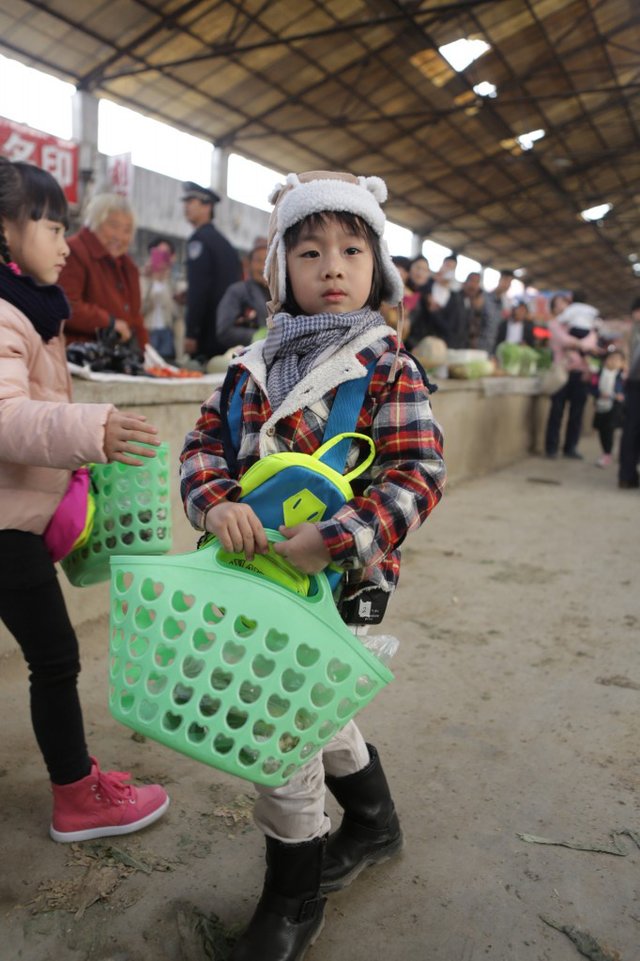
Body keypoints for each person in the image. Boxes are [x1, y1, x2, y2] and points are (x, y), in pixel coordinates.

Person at [180, 170, 446, 961]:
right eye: (310, 251)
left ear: (377, 267)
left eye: (351, 250)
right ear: (281, 271)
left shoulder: (388, 365)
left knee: (277, 720)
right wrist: (214, 503)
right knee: (314, 703)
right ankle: (372, 821)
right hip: (253, 578)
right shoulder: (250, 364)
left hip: (342, 581)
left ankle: (292, 897)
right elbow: (202, 447)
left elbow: (418, 473)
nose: (332, 266)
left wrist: (335, 536)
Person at [0, 158, 169, 842]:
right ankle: (76, 798)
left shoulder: (30, 309)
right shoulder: (5, 315)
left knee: (51, 654)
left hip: (13, 515)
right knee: (55, 657)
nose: (66, 245)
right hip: (4, 524)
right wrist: (91, 429)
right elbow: (6, 415)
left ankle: (78, 782)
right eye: (51, 227)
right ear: (5, 233)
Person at [58, 193, 147, 347]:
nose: (119, 236)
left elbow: (135, 317)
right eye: (113, 226)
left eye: (127, 230)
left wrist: (145, 351)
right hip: (79, 351)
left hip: (116, 354)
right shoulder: (74, 251)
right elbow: (66, 305)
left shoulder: (129, 267)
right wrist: (109, 322)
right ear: (95, 222)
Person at [181, 181, 242, 361]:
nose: (186, 206)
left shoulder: (199, 240)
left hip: (206, 332)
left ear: (207, 206)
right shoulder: (225, 244)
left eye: (191, 201)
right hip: (226, 330)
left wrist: (192, 332)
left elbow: (199, 289)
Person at [544, 293, 599, 459]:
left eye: (565, 303)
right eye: (558, 304)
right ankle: (551, 447)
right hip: (562, 372)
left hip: (580, 374)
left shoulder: (585, 324)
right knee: (556, 411)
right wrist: (582, 345)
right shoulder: (554, 324)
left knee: (577, 413)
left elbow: (592, 340)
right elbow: (563, 340)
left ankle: (571, 447)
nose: (562, 307)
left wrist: (578, 344)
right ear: (553, 309)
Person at [216, 238, 269, 350]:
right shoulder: (237, 292)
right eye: (258, 260)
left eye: (267, 261)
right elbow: (224, 331)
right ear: (248, 264)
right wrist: (256, 335)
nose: (262, 267)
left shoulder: (282, 294)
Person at [140, 236, 179, 360]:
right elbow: (140, 309)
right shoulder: (142, 279)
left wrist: (165, 279)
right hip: (148, 331)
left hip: (167, 333)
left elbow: (177, 313)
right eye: (158, 253)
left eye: (166, 254)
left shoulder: (174, 282)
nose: (162, 257)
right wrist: (152, 280)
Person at [591, 346, 625, 468]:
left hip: (615, 407)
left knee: (610, 429)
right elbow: (592, 387)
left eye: (617, 359)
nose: (614, 362)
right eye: (611, 359)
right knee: (602, 430)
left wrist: (620, 395)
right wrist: (598, 394)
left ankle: (608, 453)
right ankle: (606, 451)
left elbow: (625, 392)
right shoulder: (598, 373)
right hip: (601, 405)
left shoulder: (622, 377)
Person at [618, 296, 640, 489]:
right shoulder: (632, 332)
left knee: (631, 429)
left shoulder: (631, 331)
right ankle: (627, 474)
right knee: (631, 429)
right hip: (634, 383)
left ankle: (627, 475)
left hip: (633, 384)